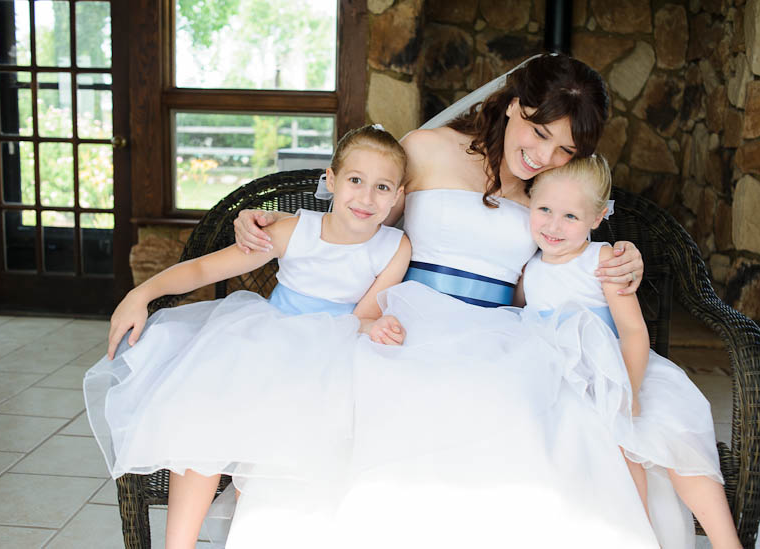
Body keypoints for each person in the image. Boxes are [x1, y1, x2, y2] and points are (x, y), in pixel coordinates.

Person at [226, 55, 683, 548]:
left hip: (498, 333)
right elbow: (356, 219)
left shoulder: (552, 193)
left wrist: (624, 256)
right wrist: (274, 227)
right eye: (538, 132)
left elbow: (563, 262)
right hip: (406, 319)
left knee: (535, 426)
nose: (544, 157)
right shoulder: (426, 150)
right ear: (513, 106)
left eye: (564, 148)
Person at [83, 124, 412, 549]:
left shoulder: (393, 247)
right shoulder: (293, 230)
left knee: (282, 438)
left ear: (398, 194)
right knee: (203, 417)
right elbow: (204, 269)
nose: (367, 198)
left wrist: (376, 326)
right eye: (355, 180)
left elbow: (360, 319)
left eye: (382, 187)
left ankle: (251, 534)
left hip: (330, 355)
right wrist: (141, 292)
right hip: (265, 343)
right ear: (330, 180)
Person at [520, 155, 741, 549]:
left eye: (570, 216)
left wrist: (629, 391)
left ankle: (728, 543)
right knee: (606, 451)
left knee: (667, 433)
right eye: (544, 210)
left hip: (621, 370)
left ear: (598, 216)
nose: (553, 225)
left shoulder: (602, 260)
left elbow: (634, 331)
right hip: (565, 381)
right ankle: (637, 539)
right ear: (529, 203)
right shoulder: (529, 268)